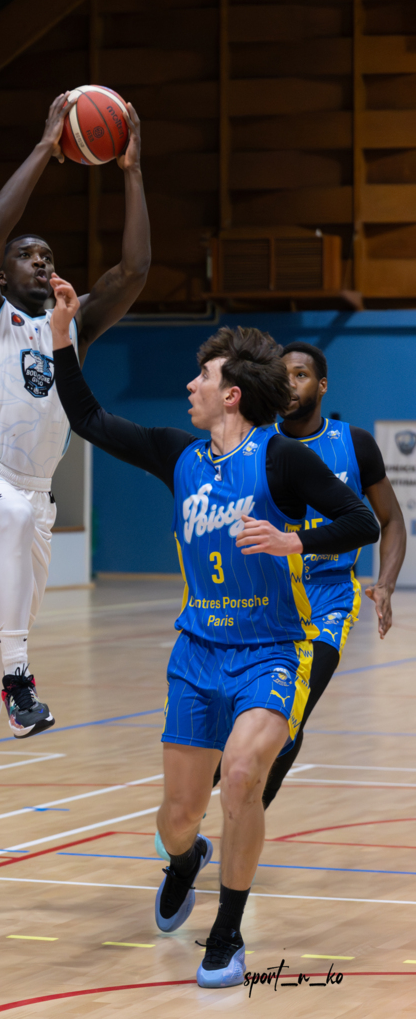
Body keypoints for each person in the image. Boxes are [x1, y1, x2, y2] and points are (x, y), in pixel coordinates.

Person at [48, 290, 380, 988]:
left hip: (272, 651)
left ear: (232, 394)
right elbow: (87, 418)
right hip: (197, 654)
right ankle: (185, 858)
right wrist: (59, 338)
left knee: (243, 776)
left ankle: (226, 934)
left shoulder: (283, 459)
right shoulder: (177, 455)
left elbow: (362, 521)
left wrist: (295, 539)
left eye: (201, 377)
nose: (189, 386)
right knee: (178, 817)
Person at [0, 94, 151, 875]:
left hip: (32, 506)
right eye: (29, 255)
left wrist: (131, 170)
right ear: (2, 272)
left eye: (50, 255)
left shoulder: (69, 327)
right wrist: (49, 145)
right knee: (14, 521)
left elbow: (135, 270)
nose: (42, 261)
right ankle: (24, 685)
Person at [210, 342, 405, 810]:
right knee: (232, 720)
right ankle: (192, 812)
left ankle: (248, 816)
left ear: (322, 385)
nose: (291, 384)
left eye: (300, 375)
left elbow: (391, 520)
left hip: (330, 596)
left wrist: (385, 583)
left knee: (290, 714)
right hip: (269, 597)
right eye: (283, 376)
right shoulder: (256, 443)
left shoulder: (354, 444)